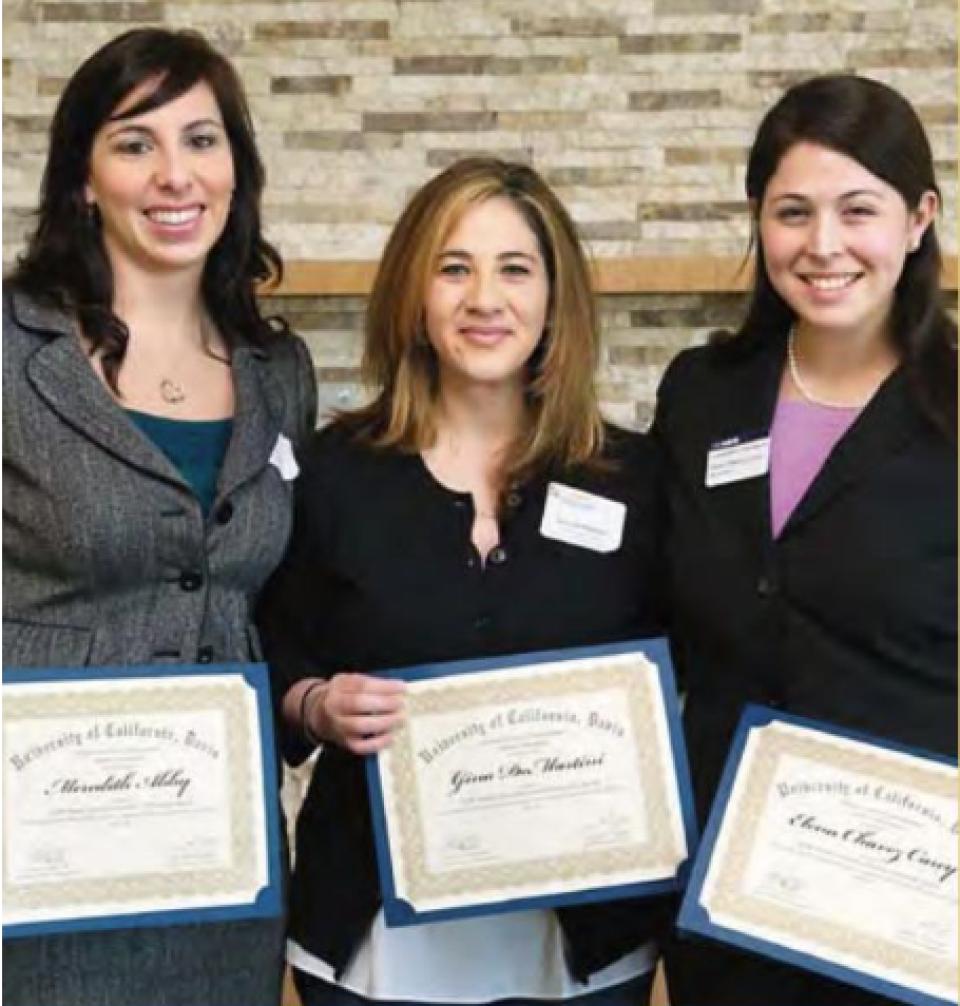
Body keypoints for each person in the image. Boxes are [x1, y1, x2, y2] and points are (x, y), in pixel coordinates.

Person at [258, 157, 667, 1006]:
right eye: (455, 268)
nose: (485, 299)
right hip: (370, 939)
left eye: (514, 269)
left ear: (556, 297)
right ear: (415, 292)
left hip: (586, 944)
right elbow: (273, 662)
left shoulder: (634, 479)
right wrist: (318, 706)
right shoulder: (334, 474)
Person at [3, 28, 317, 1006]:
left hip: (220, 853)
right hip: (38, 849)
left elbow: (285, 596)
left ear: (238, 168)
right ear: (83, 178)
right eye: (135, 143)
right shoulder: (13, 352)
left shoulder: (278, 372)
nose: (174, 175)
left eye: (202, 141)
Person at [653, 74, 957, 1005]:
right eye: (792, 212)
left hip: (907, 897)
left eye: (857, 209)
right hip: (721, 888)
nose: (823, 245)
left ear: (918, 219)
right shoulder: (702, 391)